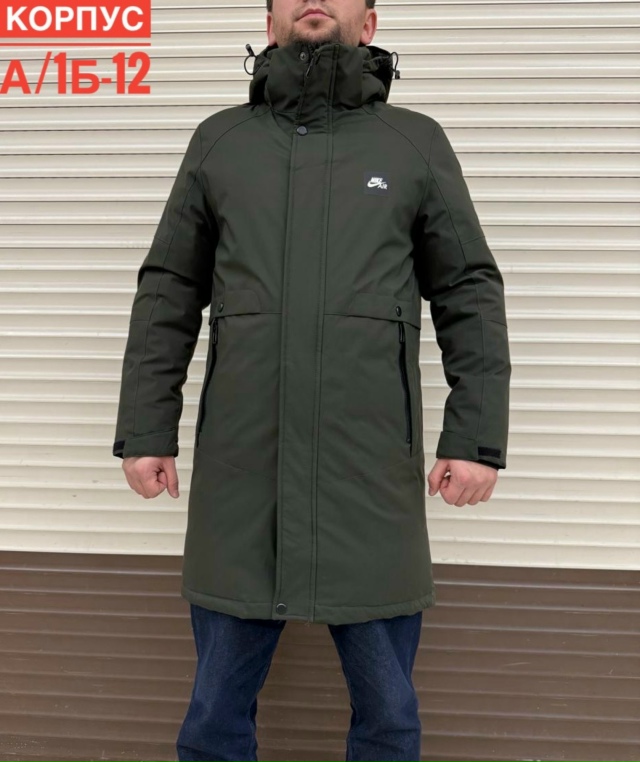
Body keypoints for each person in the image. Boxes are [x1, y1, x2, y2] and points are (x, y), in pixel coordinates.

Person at [112, 0, 511, 759]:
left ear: (371, 22)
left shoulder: (413, 142)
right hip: (243, 477)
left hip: (370, 479)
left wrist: (476, 438)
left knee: (388, 718)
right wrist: (145, 430)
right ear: (270, 22)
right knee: (214, 719)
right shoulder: (221, 142)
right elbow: (169, 290)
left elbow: (468, 290)